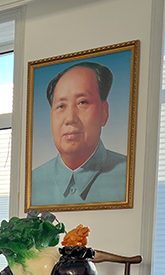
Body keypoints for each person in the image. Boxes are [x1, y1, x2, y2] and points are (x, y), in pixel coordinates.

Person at [31, 61, 127, 206]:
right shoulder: (33, 182)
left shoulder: (129, 174)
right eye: (61, 106)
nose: (70, 118)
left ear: (104, 112)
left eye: (82, 102)